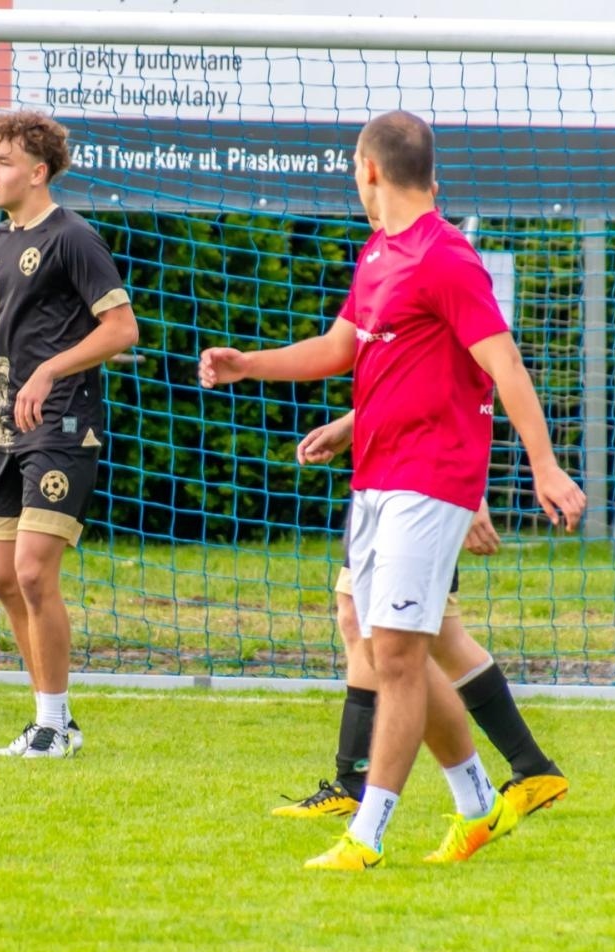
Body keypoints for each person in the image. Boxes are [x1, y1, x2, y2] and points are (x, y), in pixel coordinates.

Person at [200, 110, 585, 869]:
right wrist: (251, 362)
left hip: (431, 478)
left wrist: (544, 466)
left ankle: (365, 836)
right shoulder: (379, 253)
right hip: (377, 475)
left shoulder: (446, 256)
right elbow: (344, 349)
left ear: (370, 169)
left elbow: (503, 365)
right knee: (389, 649)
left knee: (401, 655)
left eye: (355, 171)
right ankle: (479, 803)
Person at [0, 110, 138, 758]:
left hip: (62, 422)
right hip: (1, 429)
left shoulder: (72, 237)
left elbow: (122, 329)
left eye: (5, 161)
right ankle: (54, 719)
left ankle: (52, 727)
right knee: (2, 580)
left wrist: (49, 368)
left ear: (39, 172)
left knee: (33, 570)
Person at [272, 413, 569, 820]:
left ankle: (363, 785)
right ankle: (531, 770)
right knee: (389, 624)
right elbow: (395, 386)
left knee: (403, 634)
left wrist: (467, 493)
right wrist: (349, 425)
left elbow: (463, 394)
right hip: (389, 482)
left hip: (423, 491)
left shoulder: (464, 348)